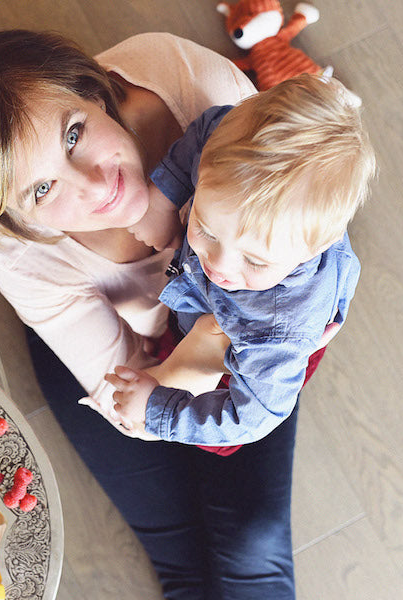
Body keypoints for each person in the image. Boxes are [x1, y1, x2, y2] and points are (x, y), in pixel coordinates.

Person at [0, 29, 301, 599]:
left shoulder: (198, 90)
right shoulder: (19, 253)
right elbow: (130, 404)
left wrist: (211, 338)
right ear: (19, 219)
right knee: (184, 559)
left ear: (90, 90)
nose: (97, 185)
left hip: (244, 320)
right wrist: (187, 361)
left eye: (73, 134)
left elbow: (298, 249)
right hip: (115, 343)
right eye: (42, 189)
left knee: (252, 539)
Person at [107, 74, 376, 447]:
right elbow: (209, 127)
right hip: (204, 310)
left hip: (247, 367)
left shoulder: (278, 338)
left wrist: (158, 409)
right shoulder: (228, 152)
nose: (219, 265)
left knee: (205, 438)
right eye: (207, 229)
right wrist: (165, 195)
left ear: (314, 249)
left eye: (255, 260)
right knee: (177, 341)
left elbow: (252, 417)